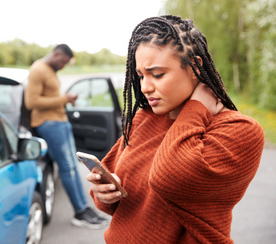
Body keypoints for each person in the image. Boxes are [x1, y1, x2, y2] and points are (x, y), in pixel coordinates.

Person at [87, 15, 265, 243]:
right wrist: (106, 196)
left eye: (157, 74)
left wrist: (195, 108)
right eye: (141, 76)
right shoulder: (143, 119)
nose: (145, 87)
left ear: (195, 67)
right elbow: (117, 198)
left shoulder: (240, 131)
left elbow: (169, 179)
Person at [24, 44, 107, 229]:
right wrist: (64, 99)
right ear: (56, 54)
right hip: (49, 124)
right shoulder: (38, 70)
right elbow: (31, 102)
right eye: (62, 62)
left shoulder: (50, 69)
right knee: (67, 168)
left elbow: (48, 96)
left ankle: (85, 208)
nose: (63, 66)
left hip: (60, 122)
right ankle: (79, 213)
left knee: (73, 167)